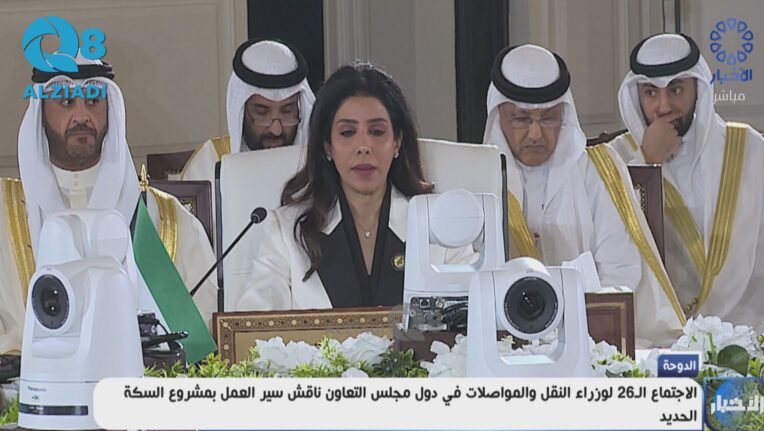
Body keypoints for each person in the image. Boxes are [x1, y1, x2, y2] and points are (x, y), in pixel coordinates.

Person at [0, 57, 217, 356]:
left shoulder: (165, 217)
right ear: (40, 114)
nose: (81, 116)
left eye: (93, 102)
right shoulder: (5, 213)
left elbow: (203, 333)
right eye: (65, 102)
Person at [484, 44, 684, 345]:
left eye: (548, 119)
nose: (536, 134)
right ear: (499, 114)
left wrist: (568, 335)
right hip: (503, 340)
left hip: (591, 340)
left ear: (564, 114)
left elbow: (621, 272)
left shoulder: (600, 170)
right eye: (521, 119)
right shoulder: (479, 179)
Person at [237, 62, 471, 310]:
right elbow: (254, 321)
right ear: (328, 146)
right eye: (348, 132)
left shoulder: (442, 224)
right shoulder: (287, 231)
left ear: (397, 142)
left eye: (377, 131)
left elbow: (475, 310)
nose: (363, 147)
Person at [609, 33, 764, 329]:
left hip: (748, 326)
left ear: (698, 88)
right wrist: (646, 161)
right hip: (660, 335)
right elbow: (614, 250)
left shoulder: (749, 149)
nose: (664, 106)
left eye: (676, 89)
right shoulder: (617, 158)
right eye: (651, 93)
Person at [180, 38, 315, 183]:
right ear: (241, 110)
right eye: (262, 113)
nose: (276, 130)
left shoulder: (318, 161)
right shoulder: (209, 162)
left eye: (287, 111)